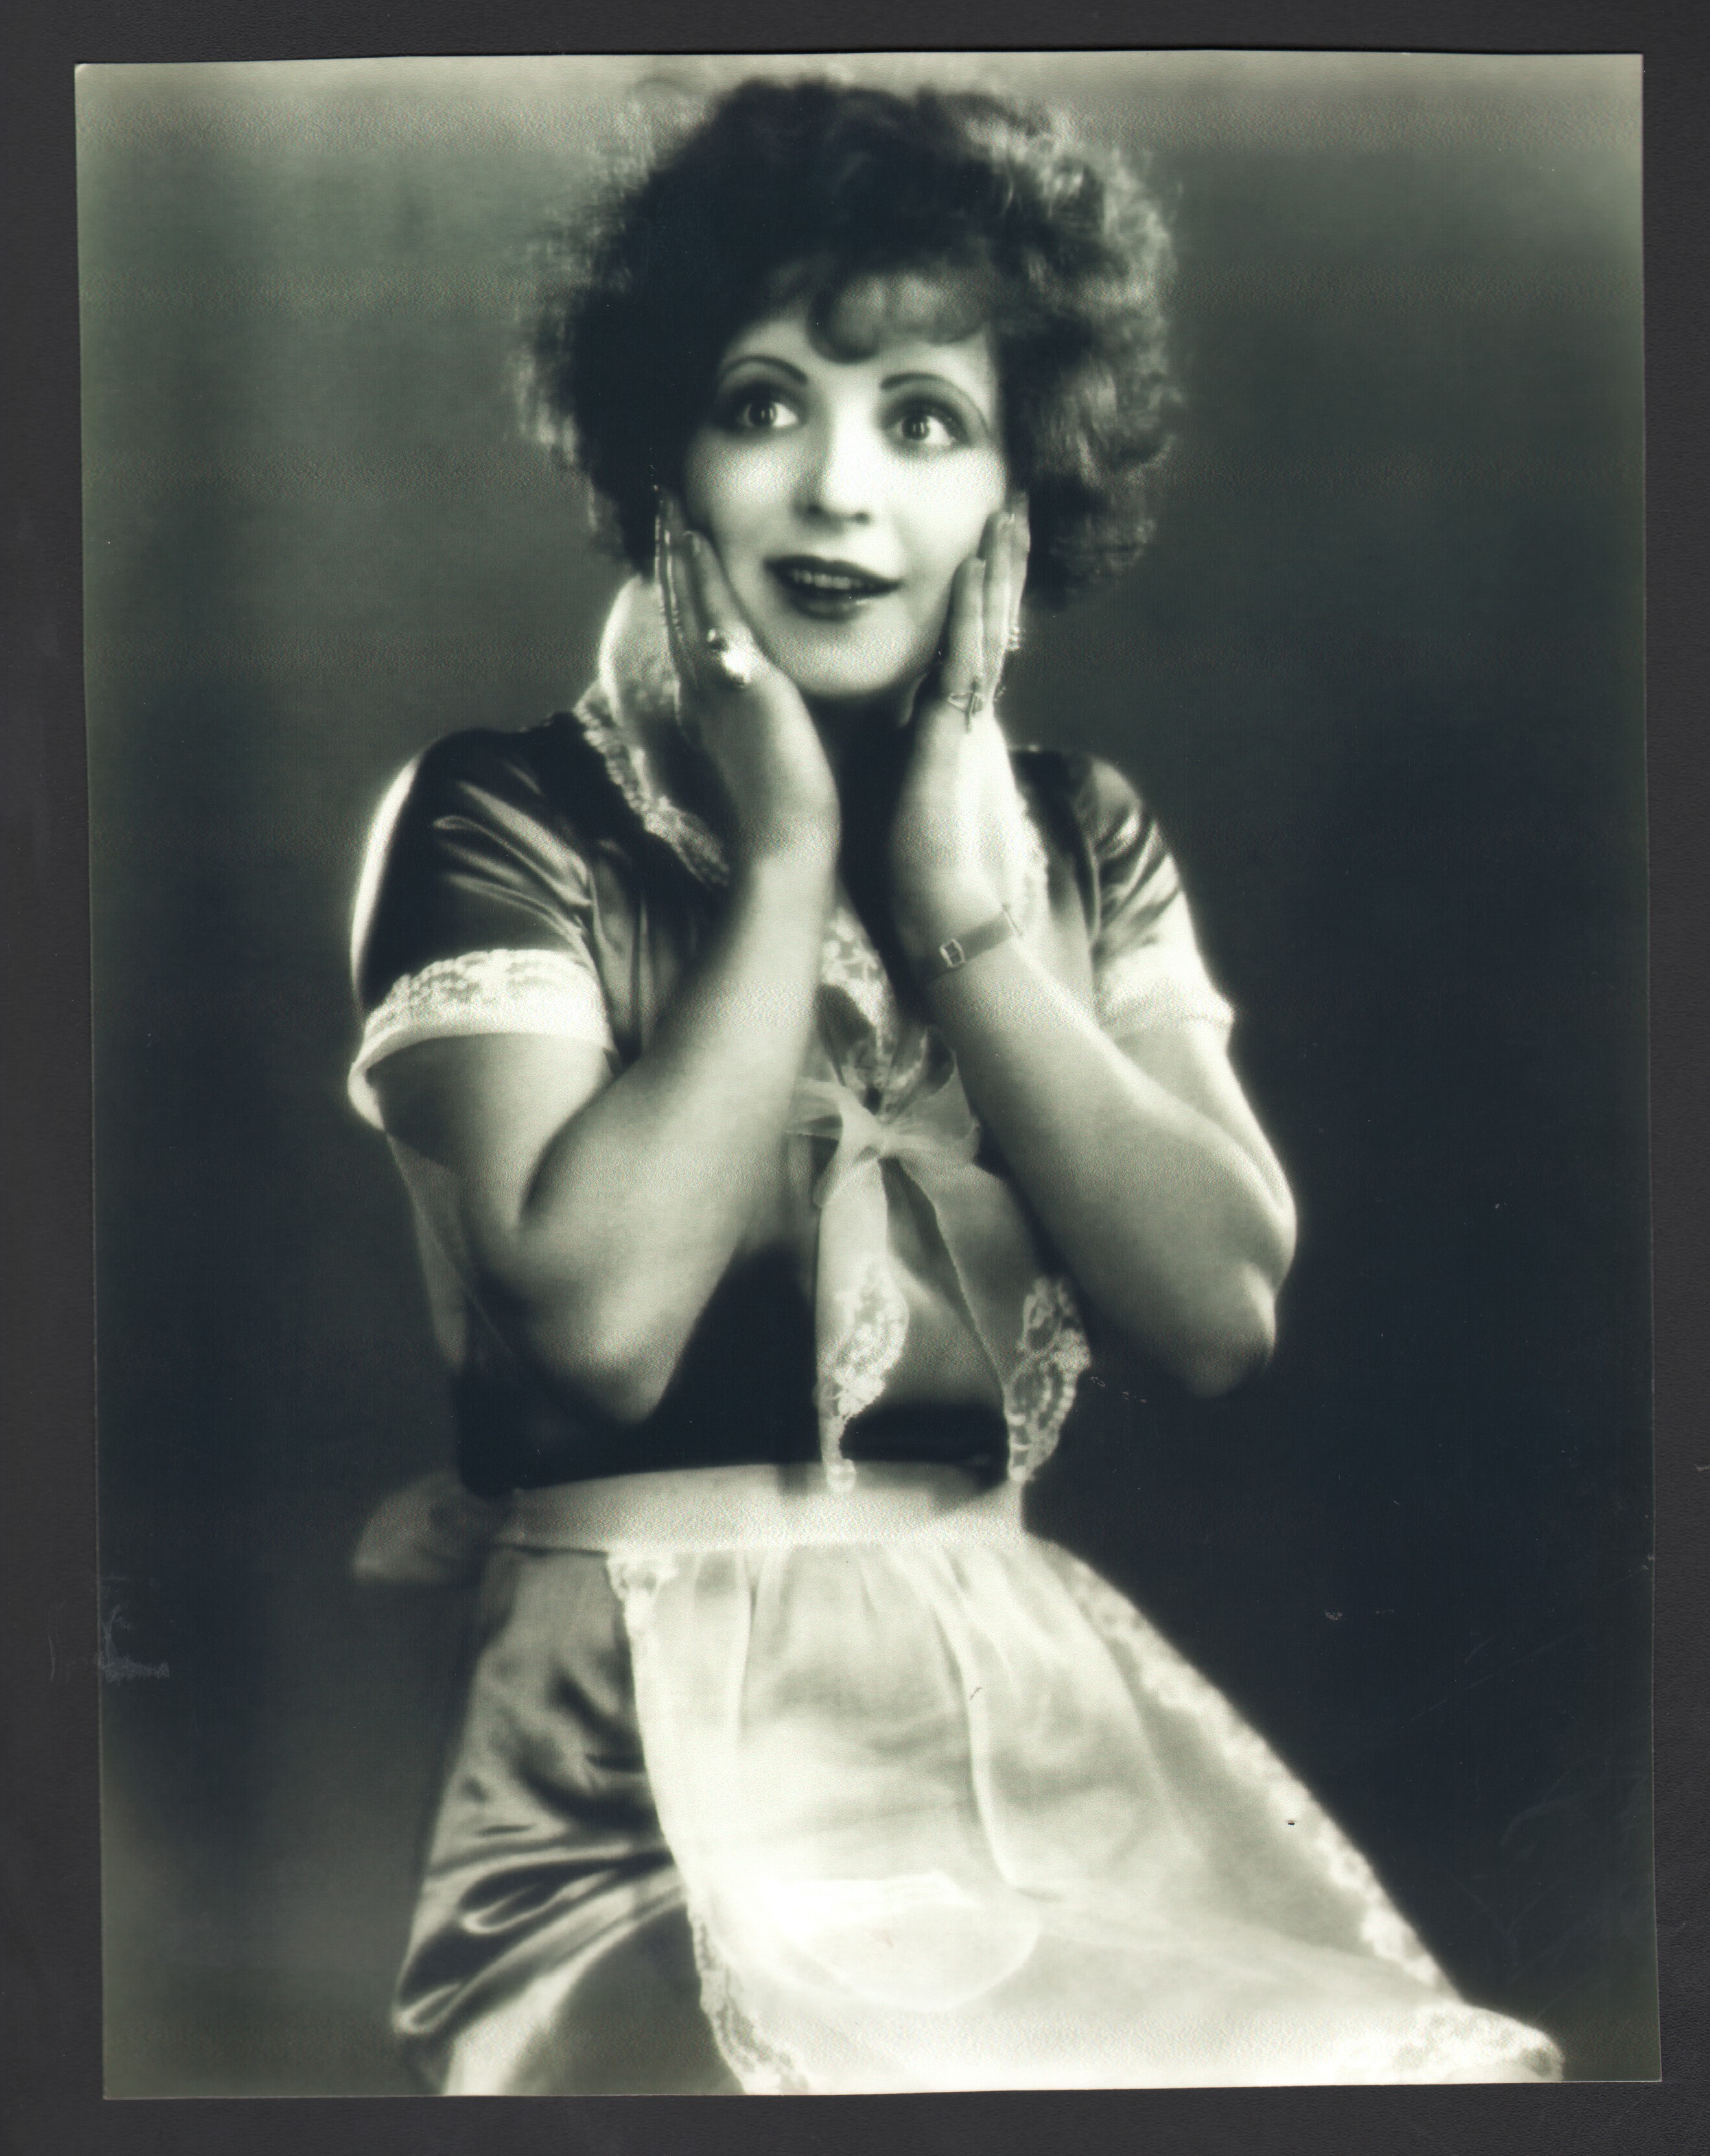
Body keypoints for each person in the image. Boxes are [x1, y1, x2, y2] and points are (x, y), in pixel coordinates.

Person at [346, 76, 1564, 2092]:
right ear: (663, 450)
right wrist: (789, 865)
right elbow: (600, 1331)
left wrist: (962, 920)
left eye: (924, 421)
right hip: (635, 1764)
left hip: (1020, 1733)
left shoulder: (1072, 837)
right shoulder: (507, 811)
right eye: (765, 405)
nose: (841, 492)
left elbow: (1219, 1310)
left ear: (1017, 487)